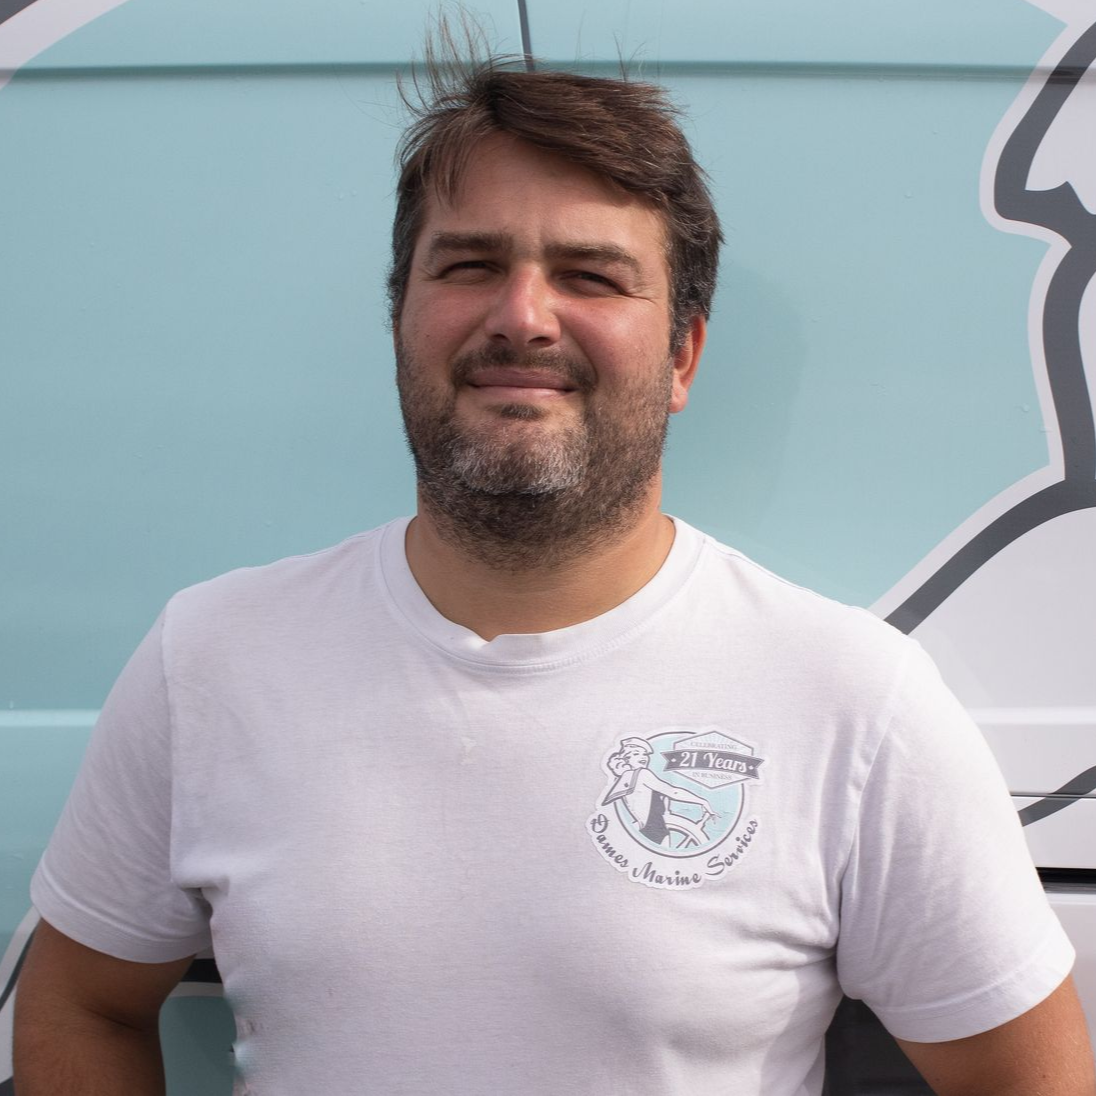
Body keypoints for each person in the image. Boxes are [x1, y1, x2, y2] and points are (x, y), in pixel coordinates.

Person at [12, 39, 1095, 1096]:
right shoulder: (209, 660)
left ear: (682, 354)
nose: (521, 316)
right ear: (401, 314)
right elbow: (78, 1000)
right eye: (470, 264)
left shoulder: (853, 701)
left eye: (590, 275)